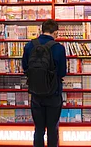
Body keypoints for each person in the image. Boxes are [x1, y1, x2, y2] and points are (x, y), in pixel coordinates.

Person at [22, 19, 67, 147]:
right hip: (53, 94)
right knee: (52, 130)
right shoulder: (59, 48)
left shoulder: (29, 46)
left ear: (42, 30)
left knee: (39, 130)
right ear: (55, 32)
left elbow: (25, 68)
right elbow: (62, 72)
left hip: (36, 94)